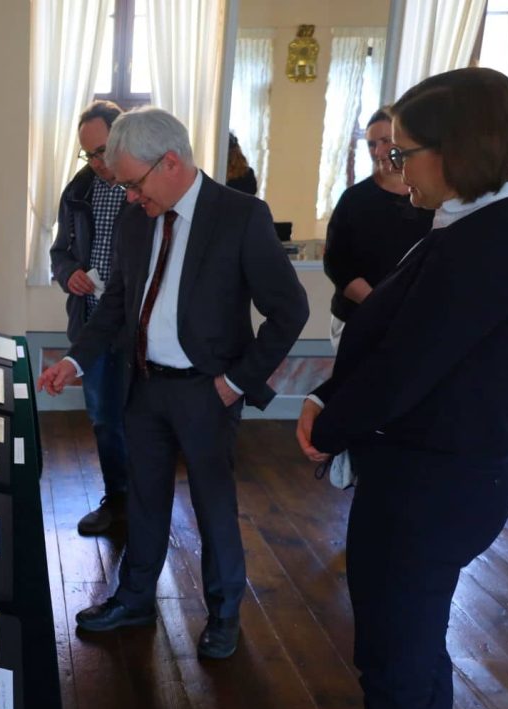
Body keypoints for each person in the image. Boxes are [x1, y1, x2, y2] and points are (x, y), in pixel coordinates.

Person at [296, 67, 508, 709]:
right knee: (408, 650)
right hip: (433, 472)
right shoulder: (477, 222)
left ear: (457, 150)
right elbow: (400, 335)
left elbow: (407, 366)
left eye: (403, 152)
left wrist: (325, 424)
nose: (394, 165)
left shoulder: (494, 239)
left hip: (432, 486)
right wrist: (329, 396)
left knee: (394, 663)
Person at [39, 107, 308, 658]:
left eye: (135, 184)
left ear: (170, 162)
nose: (131, 198)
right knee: (144, 500)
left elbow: (289, 311)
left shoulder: (240, 216)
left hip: (207, 391)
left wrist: (236, 382)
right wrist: (77, 360)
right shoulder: (138, 218)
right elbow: (116, 302)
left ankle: (224, 612)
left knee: (212, 505)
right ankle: (135, 599)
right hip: (144, 387)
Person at [50, 100, 131, 535]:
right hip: (91, 325)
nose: (97, 163)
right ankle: (117, 501)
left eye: (102, 151)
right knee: (103, 418)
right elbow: (59, 252)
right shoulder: (77, 191)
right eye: (89, 154)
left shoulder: (144, 188)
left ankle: (145, 503)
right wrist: (70, 274)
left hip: (138, 329)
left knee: (141, 419)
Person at [324, 108, 434, 349]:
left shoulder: (435, 197)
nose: (378, 152)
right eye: (372, 144)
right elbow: (337, 263)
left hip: (420, 321)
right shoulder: (354, 199)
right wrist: (380, 305)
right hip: (357, 318)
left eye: (386, 141)